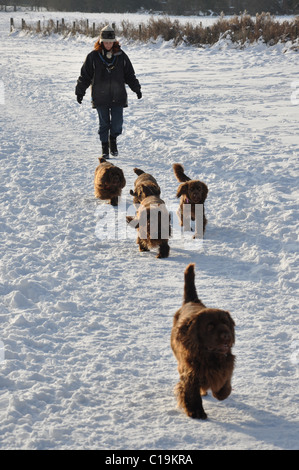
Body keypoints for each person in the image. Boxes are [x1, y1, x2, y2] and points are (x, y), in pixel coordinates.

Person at [75, 25, 142, 158]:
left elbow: (130, 74)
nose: (108, 44)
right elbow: (85, 76)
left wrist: (137, 89)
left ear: (114, 42)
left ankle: (113, 140)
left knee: (117, 123)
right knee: (104, 123)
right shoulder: (93, 57)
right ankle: (105, 147)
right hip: (100, 96)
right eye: (105, 42)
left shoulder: (121, 56)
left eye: (110, 42)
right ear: (101, 41)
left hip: (118, 96)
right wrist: (80, 91)